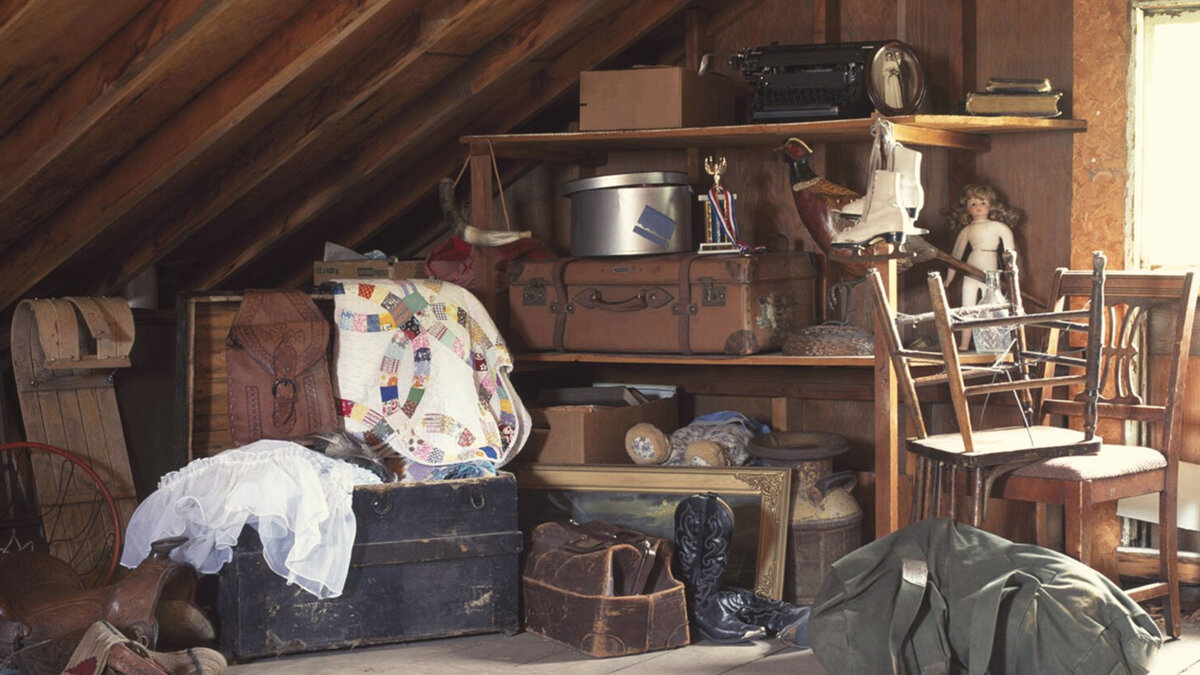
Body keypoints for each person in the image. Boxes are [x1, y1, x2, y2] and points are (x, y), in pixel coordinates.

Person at [943, 184, 1021, 347]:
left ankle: (994, 344)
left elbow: (1010, 252)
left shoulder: (998, 227)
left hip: (990, 271)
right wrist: (949, 278)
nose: (978, 207)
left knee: (992, 307)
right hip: (970, 270)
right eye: (973, 204)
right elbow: (955, 255)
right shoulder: (967, 230)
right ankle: (964, 343)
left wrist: (1012, 273)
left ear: (991, 205)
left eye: (983, 202)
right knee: (967, 307)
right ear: (966, 209)